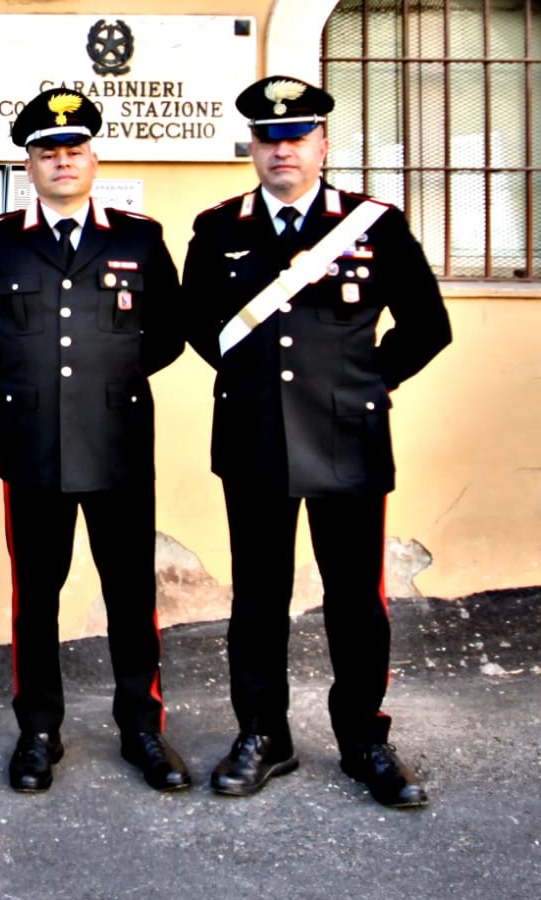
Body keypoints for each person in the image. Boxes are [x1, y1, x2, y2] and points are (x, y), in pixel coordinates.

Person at [181, 76, 452, 808]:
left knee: (355, 599)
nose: (282, 150)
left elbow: (428, 327)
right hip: (254, 437)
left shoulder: (373, 226)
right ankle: (262, 735)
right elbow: (196, 324)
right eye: (268, 138)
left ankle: (364, 738)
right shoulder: (219, 229)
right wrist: (253, 383)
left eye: (297, 136)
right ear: (251, 147)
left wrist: (365, 384)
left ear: (323, 144)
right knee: (258, 597)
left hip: (347, 439)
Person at [0, 88, 190, 794]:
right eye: (48, 152)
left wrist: (109, 382)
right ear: (28, 165)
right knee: (37, 595)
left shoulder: (137, 238)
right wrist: (21, 384)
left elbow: (169, 334)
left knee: (129, 592)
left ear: (93, 158)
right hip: (33, 445)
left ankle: (142, 728)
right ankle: (37, 730)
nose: (62, 161)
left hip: (118, 442)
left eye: (74, 149)